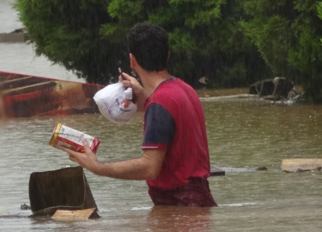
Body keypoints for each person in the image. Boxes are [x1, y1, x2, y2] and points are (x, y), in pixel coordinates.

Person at [60, 23, 217, 207]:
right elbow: (169, 119)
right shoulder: (184, 89)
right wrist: (143, 96)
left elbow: (149, 168)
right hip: (197, 204)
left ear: (132, 60)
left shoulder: (160, 103)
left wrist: (97, 167)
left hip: (180, 208)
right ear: (167, 55)